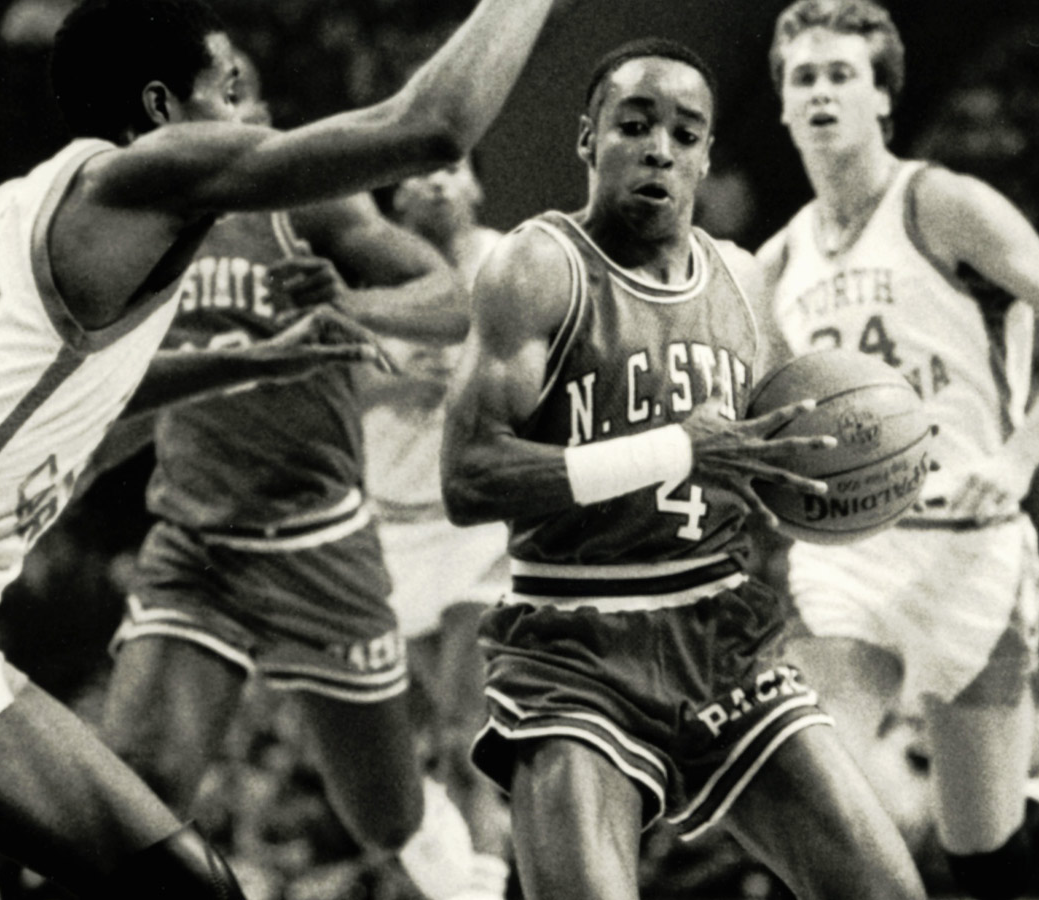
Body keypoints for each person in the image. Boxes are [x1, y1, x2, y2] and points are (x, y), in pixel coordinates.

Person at [0, 0, 583, 896]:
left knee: (188, 883)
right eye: (230, 92)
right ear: (164, 110)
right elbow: (430, 127)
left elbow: (99, 403)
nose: (249, 120)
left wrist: (254, 360)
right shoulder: (146, 176)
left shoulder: (28, 212)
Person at [440, 36, 928, 900]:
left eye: (684, 131)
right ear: (589, 139)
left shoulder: (741, 280)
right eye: (634, 124)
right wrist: (671, 451)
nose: (659, 145)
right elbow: (469, 477)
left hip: (721, 640)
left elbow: (770, 465)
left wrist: (830, 479)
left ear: (704, 156)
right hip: (576, 650)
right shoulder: (538, 267)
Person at [753, 1, 1039, 897]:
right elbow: (769, 424)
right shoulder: (776, 262)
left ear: (883, 98)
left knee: (987, 864)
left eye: (842, 75)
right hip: (847, 562)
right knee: (815, 801)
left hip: (972, 559)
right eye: (803, 77)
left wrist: (1018, 460)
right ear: (780, 103)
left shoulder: (944, 206)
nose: (821, 92)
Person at [98, 44, 505, 899]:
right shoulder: (136, 218)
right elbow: (125, 388)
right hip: (196, 544)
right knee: (137, 783)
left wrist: (346, 304)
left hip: (320, 542)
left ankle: (458, 866)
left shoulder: (304, 193)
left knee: (384, 817)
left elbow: (446, 301)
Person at [358, 154, 512, 895]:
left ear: (477, 185)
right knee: (428, 756)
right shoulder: (363, 279)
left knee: (465, 738)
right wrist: (388, 385)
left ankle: (485, 886)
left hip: (480, 528)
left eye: (454, 168)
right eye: (423, 171)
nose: (440, 181)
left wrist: (469, 386)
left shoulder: (510, 262)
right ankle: (472, 878)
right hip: (392, 536)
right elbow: (324, 388)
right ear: (396, 194)